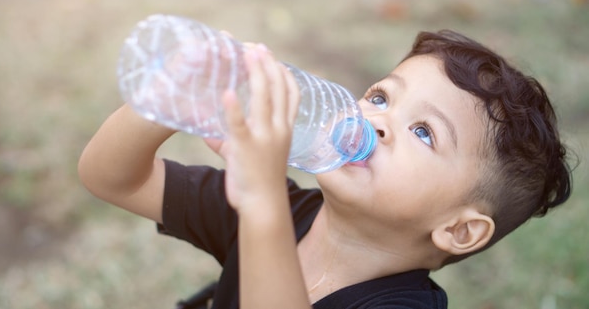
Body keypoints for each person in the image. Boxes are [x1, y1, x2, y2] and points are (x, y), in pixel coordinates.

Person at [78, 29, 573, 309]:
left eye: (424, 132)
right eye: (380, 97)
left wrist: (260, 202)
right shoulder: (288, 211)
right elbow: (111, 177)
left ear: (459, 229)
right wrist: (171, 98)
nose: (377, 121)